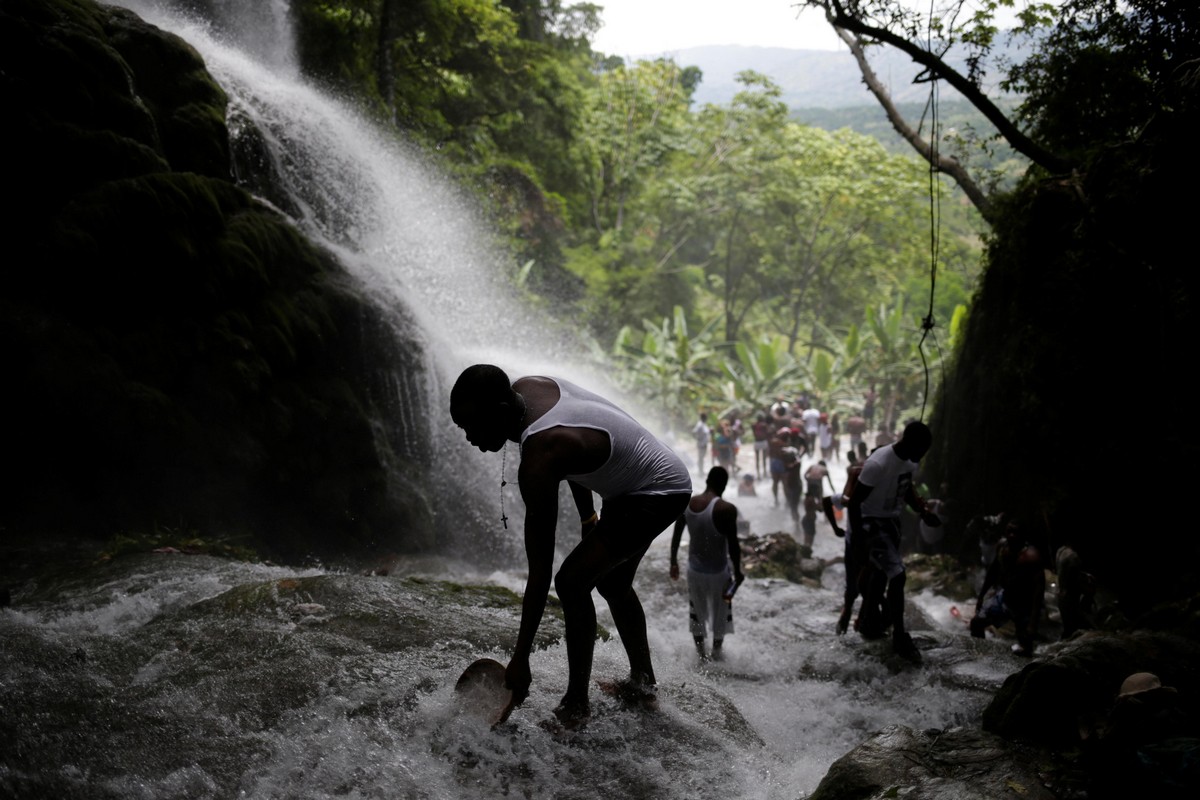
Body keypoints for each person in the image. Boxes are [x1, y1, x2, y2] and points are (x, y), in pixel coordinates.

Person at [450, 365, 691, 727]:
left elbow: (540, 571)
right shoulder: (529, 389)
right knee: (612, 583)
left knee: (571, 583)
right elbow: (572, 458)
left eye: (473, 426)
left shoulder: (542, 454)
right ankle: (643, 686)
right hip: (633, 482)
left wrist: (521, 659)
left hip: (656, 490)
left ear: (501, 412)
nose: (469, 437)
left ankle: (577, 704)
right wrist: (587, 517)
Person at [846, 421, 941, 661]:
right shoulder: (878, 463)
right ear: (908, 441)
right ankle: (900, 635)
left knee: (879, 574)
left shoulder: (911, 460)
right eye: (921, 449)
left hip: (891, 522)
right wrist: (858, 540)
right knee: (897, 575)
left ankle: (869, 622)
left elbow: (906, 488)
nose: (922, 455)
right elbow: (855, 502)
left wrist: (923, 512)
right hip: (871, 522)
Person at [670, 467, 745, 661]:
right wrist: (738, 571)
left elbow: (677, 534)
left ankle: (701, 657)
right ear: (724, 484)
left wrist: (673, 562)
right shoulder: (726, 509)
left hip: (694, 571)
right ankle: (717, 654)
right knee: (721, 613)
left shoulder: (688, 503)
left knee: (696, 612)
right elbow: (734, 545)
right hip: (719, 572)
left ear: (707, 481)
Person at [970, 520, 1044, 656]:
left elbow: (1039, 590)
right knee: (976, 623)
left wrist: (1033, 622)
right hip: (1005, 598)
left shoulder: (1031, 556)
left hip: (1024, 605)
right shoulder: (1002, 547)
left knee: (1026, 644)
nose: (1011, 535)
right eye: (1009, 531)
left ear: (1023, 535)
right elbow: (993, 571)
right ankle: (981, 656)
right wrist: (981, 597)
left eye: (1015, 533)